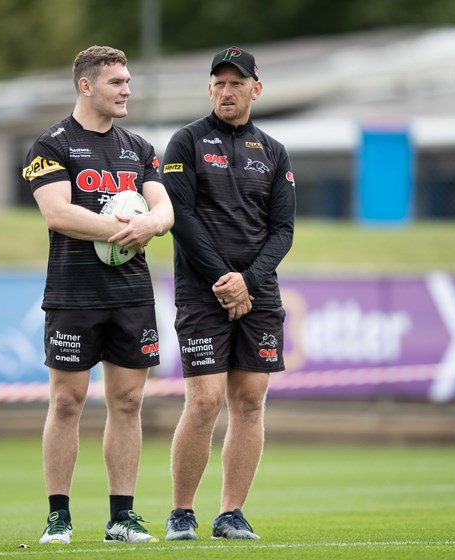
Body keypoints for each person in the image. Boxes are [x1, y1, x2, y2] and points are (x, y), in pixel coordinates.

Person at [21, 45, 173, 545]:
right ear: (86, 86)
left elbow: (164, 211)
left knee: (128, 401)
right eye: (116, 82)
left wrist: (149, 223)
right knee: (67, 401)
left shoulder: (140, 148)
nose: (127, 89)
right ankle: (59, 517)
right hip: (73, 294)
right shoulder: (52, 144)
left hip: (131, 295)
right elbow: (58, 214)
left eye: (128, 81)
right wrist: (118, 228)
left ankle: (122, 518)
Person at [160, 46, 296, 541]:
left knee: (251, 401)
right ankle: (181, 513)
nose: (226, 91)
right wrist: (225, 280)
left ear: (255, 89)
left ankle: (231, 513)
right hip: (203, 293)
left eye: (236, 83)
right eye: (218, 82)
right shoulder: (185, 143)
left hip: (257, 293)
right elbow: (182, 220)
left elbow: (283, 230)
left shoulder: (274, 152)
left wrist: (249, 282)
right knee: (203, 401)